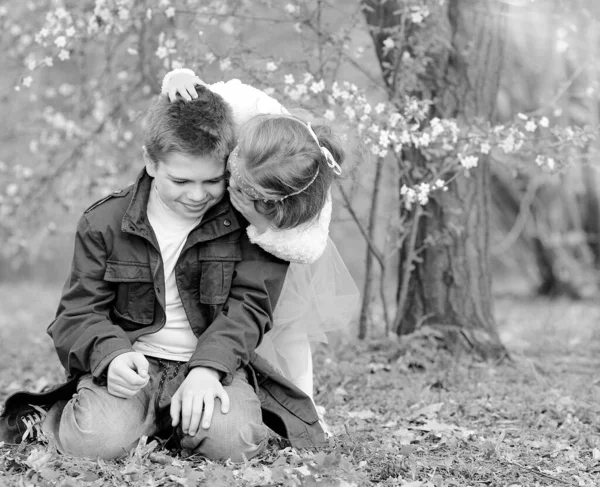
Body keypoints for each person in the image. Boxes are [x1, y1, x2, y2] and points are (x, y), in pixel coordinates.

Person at [0, 84, 326, 460]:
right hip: (133, 365)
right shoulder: (105, 221)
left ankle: (173, 422)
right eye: (181, 181)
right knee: (93, 440)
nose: (197, 195)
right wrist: (112, 356)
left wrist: (209, 369)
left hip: (210, 363)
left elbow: (250, 307)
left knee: (235, 442)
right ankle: (83, 419)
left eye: (212, 181)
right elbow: (77, 314)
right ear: (151, 163)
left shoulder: (246, 222)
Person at [162, 70, 360, 408]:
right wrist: (179, 78)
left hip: (272, 237)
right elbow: (207, 96)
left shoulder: (309, 197)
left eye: (249, 189)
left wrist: (258, 222)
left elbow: (308, 248)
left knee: (286, 325)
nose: (235, 188)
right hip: (217, 223)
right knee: (218, 302)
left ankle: (304, 404)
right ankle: (210, 366)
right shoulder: (246, 110)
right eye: (236, 178)